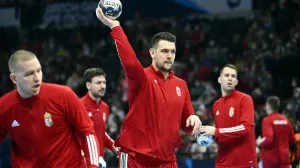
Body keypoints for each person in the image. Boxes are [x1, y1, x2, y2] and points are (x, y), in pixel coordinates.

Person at [96, 7, 201, 168]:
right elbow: (130, 63)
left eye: (172, 52)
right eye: (164, 51)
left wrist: (194, 119)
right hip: (135, 157)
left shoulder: (181, 85)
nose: (169, 56)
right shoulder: (141, 77)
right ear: (152, 52)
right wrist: (115, 26)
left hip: (166, 160)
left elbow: (187, 127)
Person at [0, 50, 100, 168]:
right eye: (29, 74)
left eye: (39, 70)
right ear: (14, 79)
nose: (37, 78)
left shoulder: (64, 95)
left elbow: (88, 134)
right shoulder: (4, 107)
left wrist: (92, 166)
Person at [200, 64, 257, 168]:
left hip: (242, 163)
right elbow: (222, 133)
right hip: (222, 162)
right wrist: (207, 136)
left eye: (233, 76)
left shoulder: (245, 99)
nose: (230, 78)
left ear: (236, 82)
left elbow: (246, 128)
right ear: (219, 79)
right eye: (226, 75)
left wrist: (216, 131)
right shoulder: (216, 105)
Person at [81, 67, 120, 167]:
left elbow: (101, 133)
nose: (102, 86)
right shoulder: (79, 106)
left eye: (104, 82)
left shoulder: (105, 107)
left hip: (100, 160)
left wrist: (114, 146)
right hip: (84, 161)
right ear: (88, 85)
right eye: (98, 83)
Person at [256, 96, 296, 168]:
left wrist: (259, 142)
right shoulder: (286, 120)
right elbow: (292, 140)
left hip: (270, 159)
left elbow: (269, 139)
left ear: (268, 106)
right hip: (284, 158)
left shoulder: (267, 120)